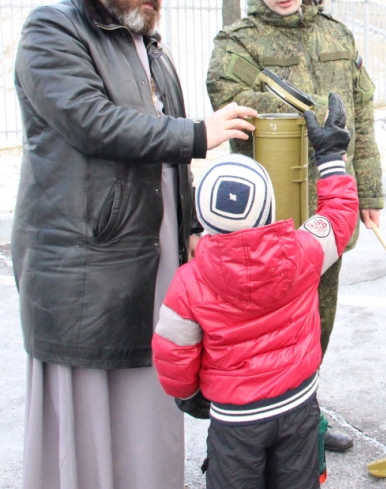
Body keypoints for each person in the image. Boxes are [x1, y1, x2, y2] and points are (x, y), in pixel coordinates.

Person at [12, 0, 258, 489]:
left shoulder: (152, 49)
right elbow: (93, 122)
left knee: (150, 407)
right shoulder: (53, 31)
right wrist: (199, 133)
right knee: (88, 411)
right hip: (85, 268)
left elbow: (169, 155)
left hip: (153, 264)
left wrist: (192, 226)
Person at [206, 0, 383, 453]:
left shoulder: (337, 35)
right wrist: (289, 112)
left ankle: (304, 412)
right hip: (271, 217)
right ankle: (253, 426)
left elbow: (363, 115)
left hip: (330, 209)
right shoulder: (239, 42)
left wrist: (370, 191)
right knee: (265, 331)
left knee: (319, 322)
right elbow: (225, 99)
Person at [153, 93, 358, 489]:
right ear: (268, 208)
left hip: (235, 420)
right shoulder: (303, 251)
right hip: (299, 404)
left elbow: (173, 355)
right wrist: (330, 156)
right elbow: (339, 217)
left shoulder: (189, 284)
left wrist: (188, 393)